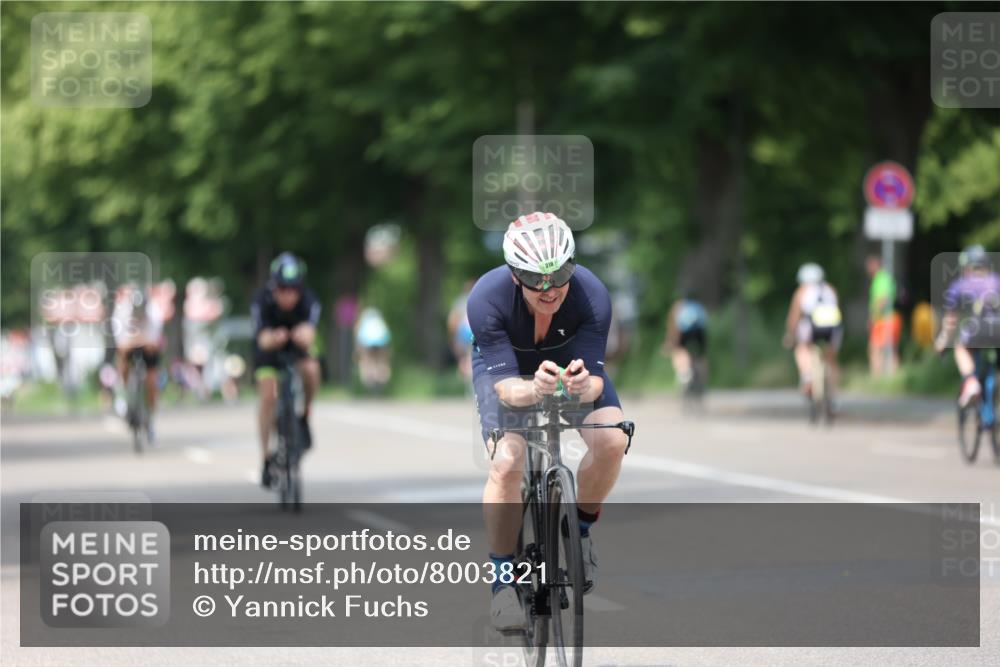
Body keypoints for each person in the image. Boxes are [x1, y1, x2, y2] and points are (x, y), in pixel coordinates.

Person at [467, 211, 629, 630]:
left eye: (559, 275)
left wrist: (579, 386)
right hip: (510, 373)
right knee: (507, 461)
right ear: (514, 274)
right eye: (536, 279)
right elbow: (507, 390)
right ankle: (503, 582)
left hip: (568, 367)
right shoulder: (487, 298)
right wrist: (537, 389)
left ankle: (580, 528)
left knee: (612, 441)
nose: (549, 288)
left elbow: (595, 382)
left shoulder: (592, 295)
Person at [251, 252, 321, 488]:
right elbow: (261, 339)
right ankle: (265, 457)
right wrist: (273, 338)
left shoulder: (308, 300)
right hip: (269, 352)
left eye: (294, 289)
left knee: (311, 370)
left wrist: (303, 335)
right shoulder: (261, 301)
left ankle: (304, 417)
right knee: (269, 395)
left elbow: (311, 333)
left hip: (296, 348)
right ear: (274, 286)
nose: (289, 294)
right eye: (283, 288)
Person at [935, 245, 1000, 407]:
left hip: (976, 331)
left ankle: (971, 382)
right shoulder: (997, 281)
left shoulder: (960, 285)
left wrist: (943, 341)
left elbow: (951, 320)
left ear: (967, 267)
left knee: (959, 346)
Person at [111, 283, 166, 441]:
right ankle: (124, 393)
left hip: (147, 346)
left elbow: (155, 340)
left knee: (152, 380)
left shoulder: (154, 311)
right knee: (122, 361)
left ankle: (150, 416)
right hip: (129, 345)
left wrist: (148, 342)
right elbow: (120, 341)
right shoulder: (122, 311)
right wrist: (129, 344)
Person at [783, 263, 843, 399]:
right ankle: (833, 394)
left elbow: (794, 316)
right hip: (833, 328)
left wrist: (790, 335)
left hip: (810, 328)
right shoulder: (830, 289)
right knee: (831, 359)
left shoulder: (802, 291)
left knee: (802, 348)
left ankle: (808, 376)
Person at [663, 291, 708, 392]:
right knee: (701, 356)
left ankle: (685, 374)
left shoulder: (679, 306)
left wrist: (670, 342)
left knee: (678, 351)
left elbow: (674, 328)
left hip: (685, 331)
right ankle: (702, 380)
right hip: (700, 331)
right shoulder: (699, 306)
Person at [867, 254, 901, 376]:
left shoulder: (881, 278)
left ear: (876, 265)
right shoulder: (884, 277)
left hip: (883, 319)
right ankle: (893, 377)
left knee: (876, 349)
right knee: (891, 349)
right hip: (890, 318)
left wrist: (873, 317)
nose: (868, 268)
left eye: (870, 265)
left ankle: (877, 377)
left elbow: (883, 299)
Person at [354, 306, 392, 391]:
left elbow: (359, 337)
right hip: (381, 341)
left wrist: (358, 350)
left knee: (366, 360)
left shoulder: (364, 320)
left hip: (368, 341)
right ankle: (382, 377)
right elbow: (386, 336)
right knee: (381, 361)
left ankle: (369, 378)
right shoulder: (380, 321)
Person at [447, 280, 476, 384]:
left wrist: (453, 336)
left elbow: (452, 320)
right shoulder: (481, 298)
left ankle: (465, 372)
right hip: (475, 331)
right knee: (473, 356)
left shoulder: (460, 301)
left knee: (466, 357)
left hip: (463, 332)